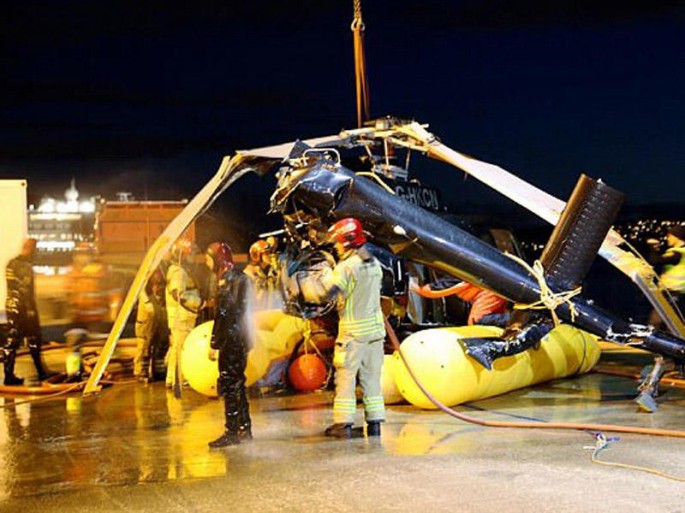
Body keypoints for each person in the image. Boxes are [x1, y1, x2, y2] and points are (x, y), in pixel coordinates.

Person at [317, 218, 386, 439]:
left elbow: (327, 292)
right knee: (372, 380)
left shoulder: (346, 267)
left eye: (337, 243)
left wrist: (324, 271)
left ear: (346, 243)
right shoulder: (373, 263)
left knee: (345, 379)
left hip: (353, 334)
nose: (335, 247)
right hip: (375, 333)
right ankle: (374, 424)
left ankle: (343, 424)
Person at [206, 242, 253, 448]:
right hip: (242, 336)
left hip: (231, 339)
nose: (207, 262)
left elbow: (223, 314)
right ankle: (244, 427)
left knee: (229, 384)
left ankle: (231, 431)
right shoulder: (243, 278)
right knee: (238, 383)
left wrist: (215, 342)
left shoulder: (226, 281)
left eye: (209, 258)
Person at [3, 238, 53, 385]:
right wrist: (30, 310)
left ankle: (9, 374)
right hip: (23, 308)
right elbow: (25, 290)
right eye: (35, 250)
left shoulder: (11, 264)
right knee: (33, 339)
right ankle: (41, 372)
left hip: (12, 305)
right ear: (31, 249)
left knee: (12, 340)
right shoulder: (25, 266)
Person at [165, 239, 202, 389]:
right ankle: (178, 380)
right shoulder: (178, 272)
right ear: (182, 255)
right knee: (181, 348)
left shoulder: (179, 270)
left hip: (182, 317)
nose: (193, 258)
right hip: (181, 318)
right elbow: (178, 294)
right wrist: (198, 303)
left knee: (177, 348)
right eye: (191, 254)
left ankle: (172, 378)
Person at [413, 278, 510, 327]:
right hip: (495, 288)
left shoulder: (458, 276)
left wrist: (417, 289)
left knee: (475, 320)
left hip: (491, 291)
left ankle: (515, 319)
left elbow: (437, 289)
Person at [134, 267, 167, 381]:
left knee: (160, 348)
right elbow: (149, 309)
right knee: (144, 349)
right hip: (146, 324)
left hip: (159, 324)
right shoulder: (143, 291)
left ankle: (158, 371)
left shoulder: (162, 290)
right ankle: (141, 373)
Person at [244, 239, 280, 309]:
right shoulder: (249, 275)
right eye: (266, 253)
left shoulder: (272, 273)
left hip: (270, 313)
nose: (269, 255)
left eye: (270, 253)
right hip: (256, 315)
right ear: (257, 256)